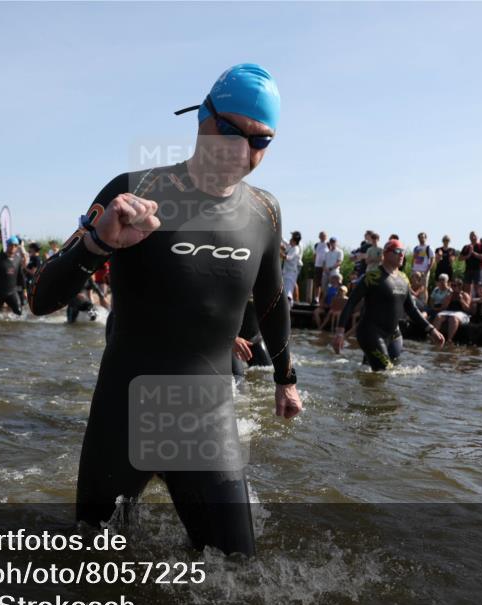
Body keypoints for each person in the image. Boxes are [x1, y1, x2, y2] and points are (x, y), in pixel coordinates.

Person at [28, 63, 300, 557]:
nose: (243, 151)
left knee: (239, 575)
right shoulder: (135, 189)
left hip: (206, 420)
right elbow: (40, 299)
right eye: (231, 132)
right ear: (202, 118)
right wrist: (98, 243)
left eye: (260, 141)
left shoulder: (265, 211)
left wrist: (286, 377)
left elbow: (273, 299)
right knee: (90, 568)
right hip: (123, 411)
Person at [332, 239, 445, 369]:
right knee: (385, 370)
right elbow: (351, 303)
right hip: (371, 333)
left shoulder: (403, 278)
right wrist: (340, 333)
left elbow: (411, 309)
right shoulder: (372, 277)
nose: (401, 254)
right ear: (385, 253)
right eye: (397, 251)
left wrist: (431, 330)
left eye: (403, 252)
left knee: (383, 374)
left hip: (394, 336)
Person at [0, 236, 25, 316]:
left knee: (19, 313)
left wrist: (24, 290)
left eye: (15, 246)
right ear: (7, 245)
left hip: (12, 292)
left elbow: (21, 276)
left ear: (17, 247)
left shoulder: (18, 259)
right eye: (11, 245)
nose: (13, 247)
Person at [432, 278, 473, 343]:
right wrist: (449, 299)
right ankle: (434, 336)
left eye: (454, 285)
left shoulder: (465, 295)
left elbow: (468, 310)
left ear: (459, 286)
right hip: (449, 312)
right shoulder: (449, 295)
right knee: (438, 316)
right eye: (452, 285)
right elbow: (443, 308)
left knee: (453, 318)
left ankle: (449, 339)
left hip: (461, 313)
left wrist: (461, 300)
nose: (452, 287)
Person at [459, 231, 482, 297]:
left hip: (478, 270)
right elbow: (460, 258)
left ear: (477, 237)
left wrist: (473, 253)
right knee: (466, 288)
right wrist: (468, 255)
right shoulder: (466, 247)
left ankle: (477, 304)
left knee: (477, 288)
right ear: (469, 237)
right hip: (468, 269)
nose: (473, 237)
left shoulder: (481, 246)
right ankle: (468, 304)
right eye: (471, 236)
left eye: (474, 235)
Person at [282, 230, 303, 302]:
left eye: (292, 237)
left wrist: (278, 253)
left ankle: (288, 307)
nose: (290, 239)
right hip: (287, 272)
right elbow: (284, 244)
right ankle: (288, 306)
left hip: (291, 273)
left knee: (288, 292)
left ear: (294, 240)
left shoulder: (296, 249)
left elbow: (288, 258)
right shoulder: (291, 247)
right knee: (286, 291)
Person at [311, 231, 328, 305]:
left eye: (323, 235)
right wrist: (314, 263)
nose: (322, 237)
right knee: (317, 283)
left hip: (326, 267)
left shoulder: (328, 244)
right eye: (321, 235)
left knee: (324, 283)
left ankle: (323, 299)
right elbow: (314, 254)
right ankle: (316, 298)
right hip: (317, 266)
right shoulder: (317, 244)